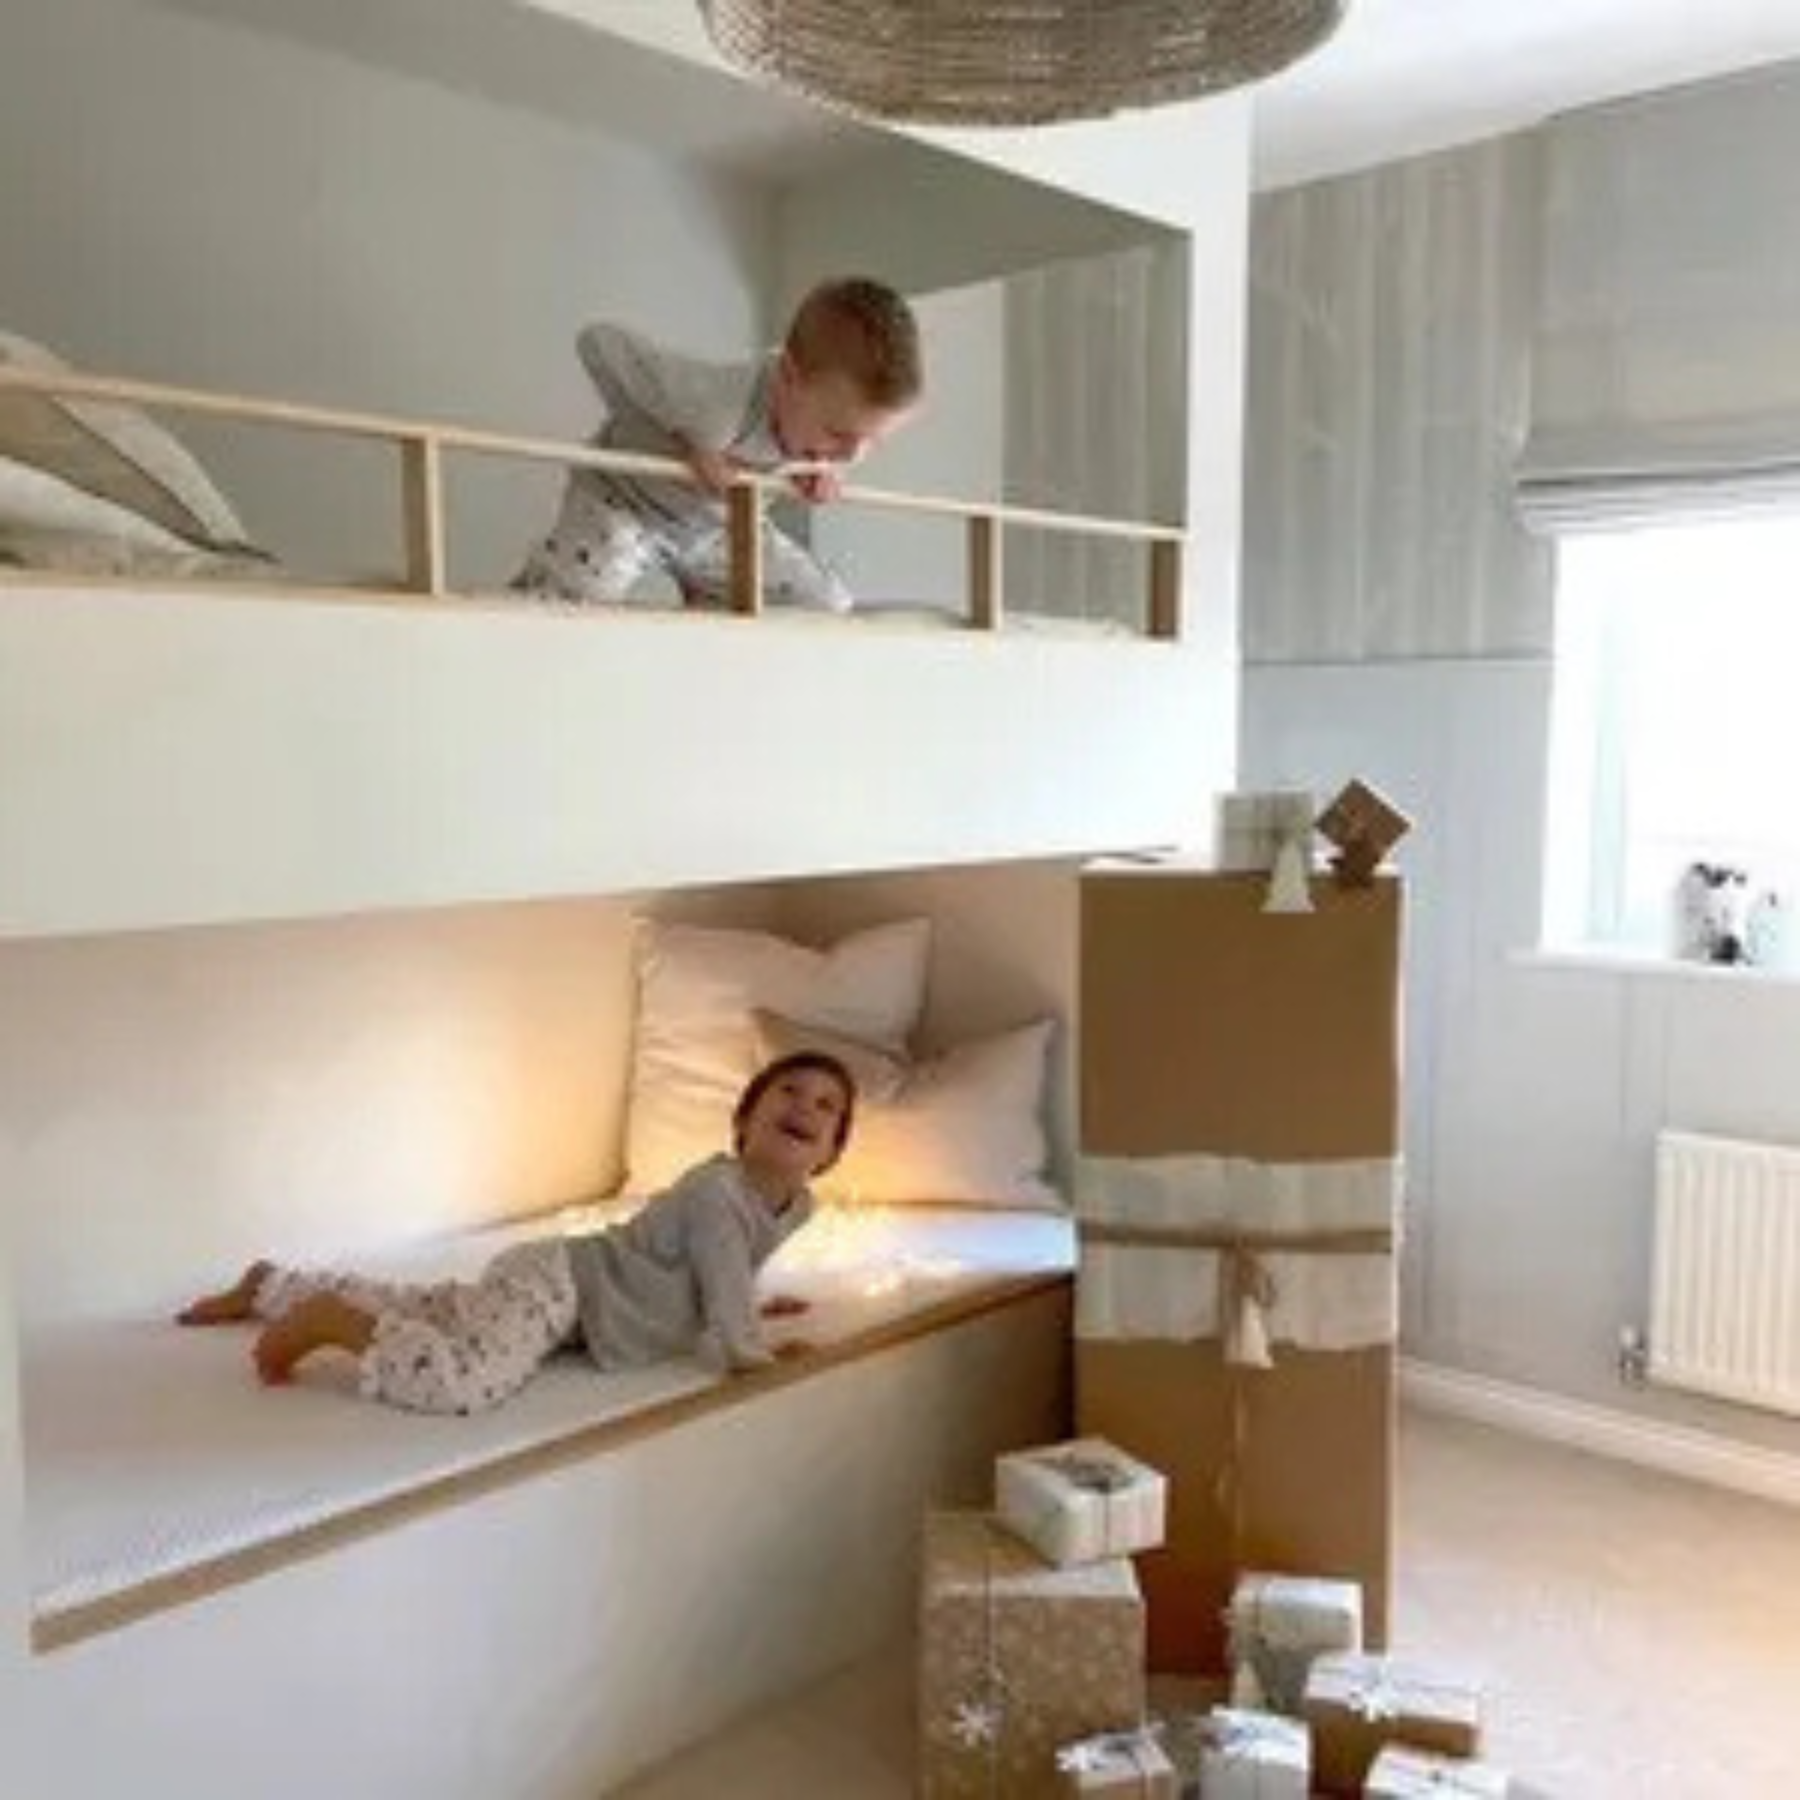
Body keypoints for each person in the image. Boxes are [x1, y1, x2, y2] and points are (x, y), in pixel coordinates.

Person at [176, 1052, 856, 1415]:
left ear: (828, 1153)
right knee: (465, 1381)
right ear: (742, 1124)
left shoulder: (797, 1207)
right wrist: (755, 1357)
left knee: (435, 1310)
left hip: (582, 1308)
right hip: (563, 1284)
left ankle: (272, 1286)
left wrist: (754, 1305)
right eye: (788, 1092)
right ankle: (329, 1319)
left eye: (826, 1106)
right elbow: (722, 1266)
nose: (805, 1105)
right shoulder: (715, 1190)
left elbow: (721, 1270)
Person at [512, 277, 922, 611]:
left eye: (872, 442)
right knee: (573, 603)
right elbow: (597, 341)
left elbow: (797, 462)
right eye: (838, 434)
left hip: (714, 530)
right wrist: (687, 439)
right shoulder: (713, 402)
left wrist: (815, 475)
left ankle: (709, 612)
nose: (851, 455)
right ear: (788, 378)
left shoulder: (816, 425)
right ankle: (531, 597)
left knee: (824, 603)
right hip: (626, 503)